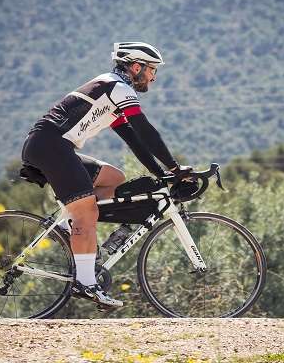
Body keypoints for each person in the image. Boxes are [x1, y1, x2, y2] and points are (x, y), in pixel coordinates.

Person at [21, 42, 190, 309]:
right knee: (86, 213)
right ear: (137, 67)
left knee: (113, 177)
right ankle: (86, 282)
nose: (154, 77)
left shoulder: (110, 94)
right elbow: (145, 130)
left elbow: (134, 139)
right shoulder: (117, 88)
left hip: (51, 146)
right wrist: (174, 168)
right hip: (52, 147)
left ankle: (69, 228)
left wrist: (162, 174)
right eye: (152, 70)